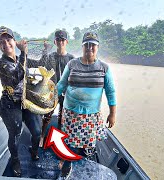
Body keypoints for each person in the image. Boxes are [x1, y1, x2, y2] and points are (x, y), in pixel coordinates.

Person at [56, 32, 116, 178]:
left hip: (91, 114)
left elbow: (110, 91)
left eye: (93, 45)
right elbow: (61, 85)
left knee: (88, 144)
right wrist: (47, 99)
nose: (89, 47)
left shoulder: (104, 68)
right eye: (86, 45)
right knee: (69, 141)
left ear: (97, 47)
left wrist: (112, 113)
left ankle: (86, 162)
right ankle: (66, 161)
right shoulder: (72, 64)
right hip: (71, 113)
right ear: (82, 47)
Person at [0, 26, 42, 177]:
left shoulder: (24, 58)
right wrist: (23, 52)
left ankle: (33, 151)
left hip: (25, 101)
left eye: (8, 39)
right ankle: (15, 160)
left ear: (14, 41)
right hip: (9, 104)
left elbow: (40, 67)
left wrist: (45, 51)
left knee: (37, 131)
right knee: (15, 135)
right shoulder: (0, 63)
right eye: (1, 41)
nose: (6, 43)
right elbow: (17, 76)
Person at [27, 30, 75, 144]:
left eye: (63, 40)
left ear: (66, 42)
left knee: (62, 117)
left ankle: (58, 139)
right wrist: (44, 50)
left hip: (67, 93)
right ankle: (42, 137)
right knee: (47, 115)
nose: (60, 42)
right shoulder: (50, 56)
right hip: (51, 92)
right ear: (55, 41)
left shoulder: (72, 58)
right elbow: (39, 64)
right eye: (58, 40)